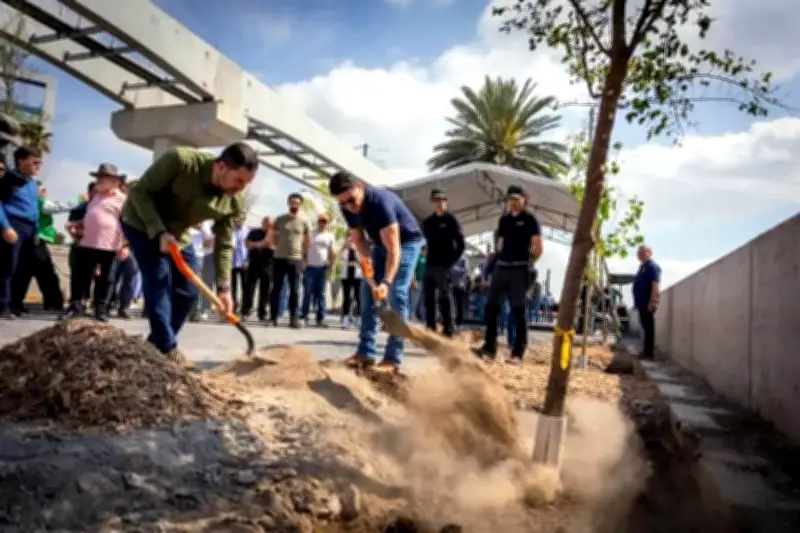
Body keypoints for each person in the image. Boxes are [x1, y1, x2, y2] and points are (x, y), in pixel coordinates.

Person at [122, 143, 256, 363]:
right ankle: (167, 348)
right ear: (221, 166)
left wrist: (224, 288)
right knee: (158, 280)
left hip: (178, 234)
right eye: (239, 180)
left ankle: (154, 347)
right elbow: (139, 192)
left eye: (247, 184)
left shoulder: (234, 201)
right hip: (141, 223)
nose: (240, 188)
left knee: (189, 293)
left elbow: (224, 244)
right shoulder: (181, 161)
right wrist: (159, 231)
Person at [329, 171, 423, 373]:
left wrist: (386, 283)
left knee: (397, 291)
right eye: (343, 203)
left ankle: (392, 358)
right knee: (366, 291)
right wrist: (369, 272)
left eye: (351, 200)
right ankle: (365, 352)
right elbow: (358, 239)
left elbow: (394, 249)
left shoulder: (380, 203)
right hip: (379, 244)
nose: (349, 206)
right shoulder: (346, 207)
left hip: (406, 242)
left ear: (360, 187)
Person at [474, 185, 543, 364]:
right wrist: (496, 260)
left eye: (516, 199)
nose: (513, 202)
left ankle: (517, 353)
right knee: (491, 307)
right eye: (510, 199)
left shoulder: (530, 220)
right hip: (502, 269)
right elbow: (500, 244)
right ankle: (489, 348)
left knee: (518, 311)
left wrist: (529, 263)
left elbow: (538, 247)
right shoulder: (504, 220)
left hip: (520, 270)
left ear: (524, 199)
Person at [63, 164, 127, 321]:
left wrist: (126, 245)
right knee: (79, 276)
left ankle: (101, 310)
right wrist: (76, 225)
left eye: (103, 177)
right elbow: (92, 216)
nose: (99, 180)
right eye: (98, 177)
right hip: (86, 242)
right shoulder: (96, 196)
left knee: (106, 279)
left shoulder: (122, 199)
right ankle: (76, 307)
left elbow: (128, 223)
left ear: (115, 181)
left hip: (109, 245)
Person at [0, 145, 43, 320]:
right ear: (21, 161)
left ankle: (16, 303)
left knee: (24, 268)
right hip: (13, 225)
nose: (38, 166)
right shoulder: (8, 179)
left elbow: (34, 209)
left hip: (30, 229)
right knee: (8, 267)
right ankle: (3, 305)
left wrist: (36, 231)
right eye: (35, 162)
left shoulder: (33, 183)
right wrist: (5, 227)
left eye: (40, 163)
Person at [421, 188, 465, 337]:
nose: (439, 203)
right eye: (436, 200)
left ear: (446, 202)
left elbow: (461, 245)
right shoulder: (428, 222)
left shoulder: (451, 220)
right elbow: (423, 242)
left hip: (445, 265)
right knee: (429, 298)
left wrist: (451, 262)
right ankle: (430, 328)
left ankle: (449, 329)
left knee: (445, 297)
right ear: (431, 203)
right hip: (430, 265)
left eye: (442, 200)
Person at [269, 193, 312, 328]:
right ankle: (273, 318)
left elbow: (308, 242)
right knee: (276, 289)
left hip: (296, 259)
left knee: (295, 291)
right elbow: (272, 236)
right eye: (292, 202)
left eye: (297, 203)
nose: (295, 205)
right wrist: (276, 247)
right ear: (288, 203)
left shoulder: (305, 221)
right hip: (279, 258)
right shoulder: (280, 219)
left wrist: (304, 257)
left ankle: (294, 319)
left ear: (300, 205)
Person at [302, 212, 335, 327]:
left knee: (321, 294)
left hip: (322, 268)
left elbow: (332, 252)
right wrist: (304, 261)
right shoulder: (310, 233)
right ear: (318, 222)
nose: (323, 223)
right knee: (307, 293)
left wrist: (330, 265)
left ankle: (320, 318)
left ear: (327, 223)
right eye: (321, 221)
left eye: (325, 221)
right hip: (310, 267)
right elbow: (303, 247)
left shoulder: (330, 236)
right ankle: (304, 317)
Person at [241, 216, 274, 322]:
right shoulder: (254, 232)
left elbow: (274, 247)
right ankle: (246, 311)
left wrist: (262, 245)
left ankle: (262, 313)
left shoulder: (274, 234)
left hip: (267, 265)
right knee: (249, 289)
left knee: (265, 290)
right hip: (253, 264)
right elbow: (247, 244)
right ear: (263, 223)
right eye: (267, 223)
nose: (269, 226)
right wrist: (260, 244)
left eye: (271, 224)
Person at [632, 245, 661, 360]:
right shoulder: (642, 267)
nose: (640, 254)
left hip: (647, 302)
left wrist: (653, 301)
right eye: (638, 252)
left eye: (643, 251)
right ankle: (645, 351)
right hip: (641, 303)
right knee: (645, 327)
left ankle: (649, 353)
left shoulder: (652, 267)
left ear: (650, 253)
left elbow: (655, 285)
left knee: (649, 327)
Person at [188, 220, 214, 322]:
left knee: (196, 283)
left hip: (197, 255)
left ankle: (196, 311)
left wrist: (201, 229)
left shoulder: (204, 222)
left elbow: (209, 242)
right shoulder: (185, 218)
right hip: (182, 253)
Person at [338, 236, 362, 329]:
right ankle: (345, 319)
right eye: (349, 241)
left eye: (353, 241)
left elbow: (361, 261)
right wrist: (344, 247)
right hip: (346, 276)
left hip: (357, 276)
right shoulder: (344, 251)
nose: (351, 242)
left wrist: (355, 250)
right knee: (346, 298)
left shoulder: (359, 250)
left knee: (358, 298)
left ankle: (359, 319)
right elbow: (339, 257)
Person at [230, 215, 249, 312]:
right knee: (232, 286)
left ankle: (244, 308)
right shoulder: (231, 230)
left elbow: (250, 248)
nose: (238, 220)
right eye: (237, 218)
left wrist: (248, 260)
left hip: (243, 263)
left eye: (241, 218)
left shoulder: (248, 231)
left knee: (245, 286)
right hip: (231, 263)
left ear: (244, 219)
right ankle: (233, 306)